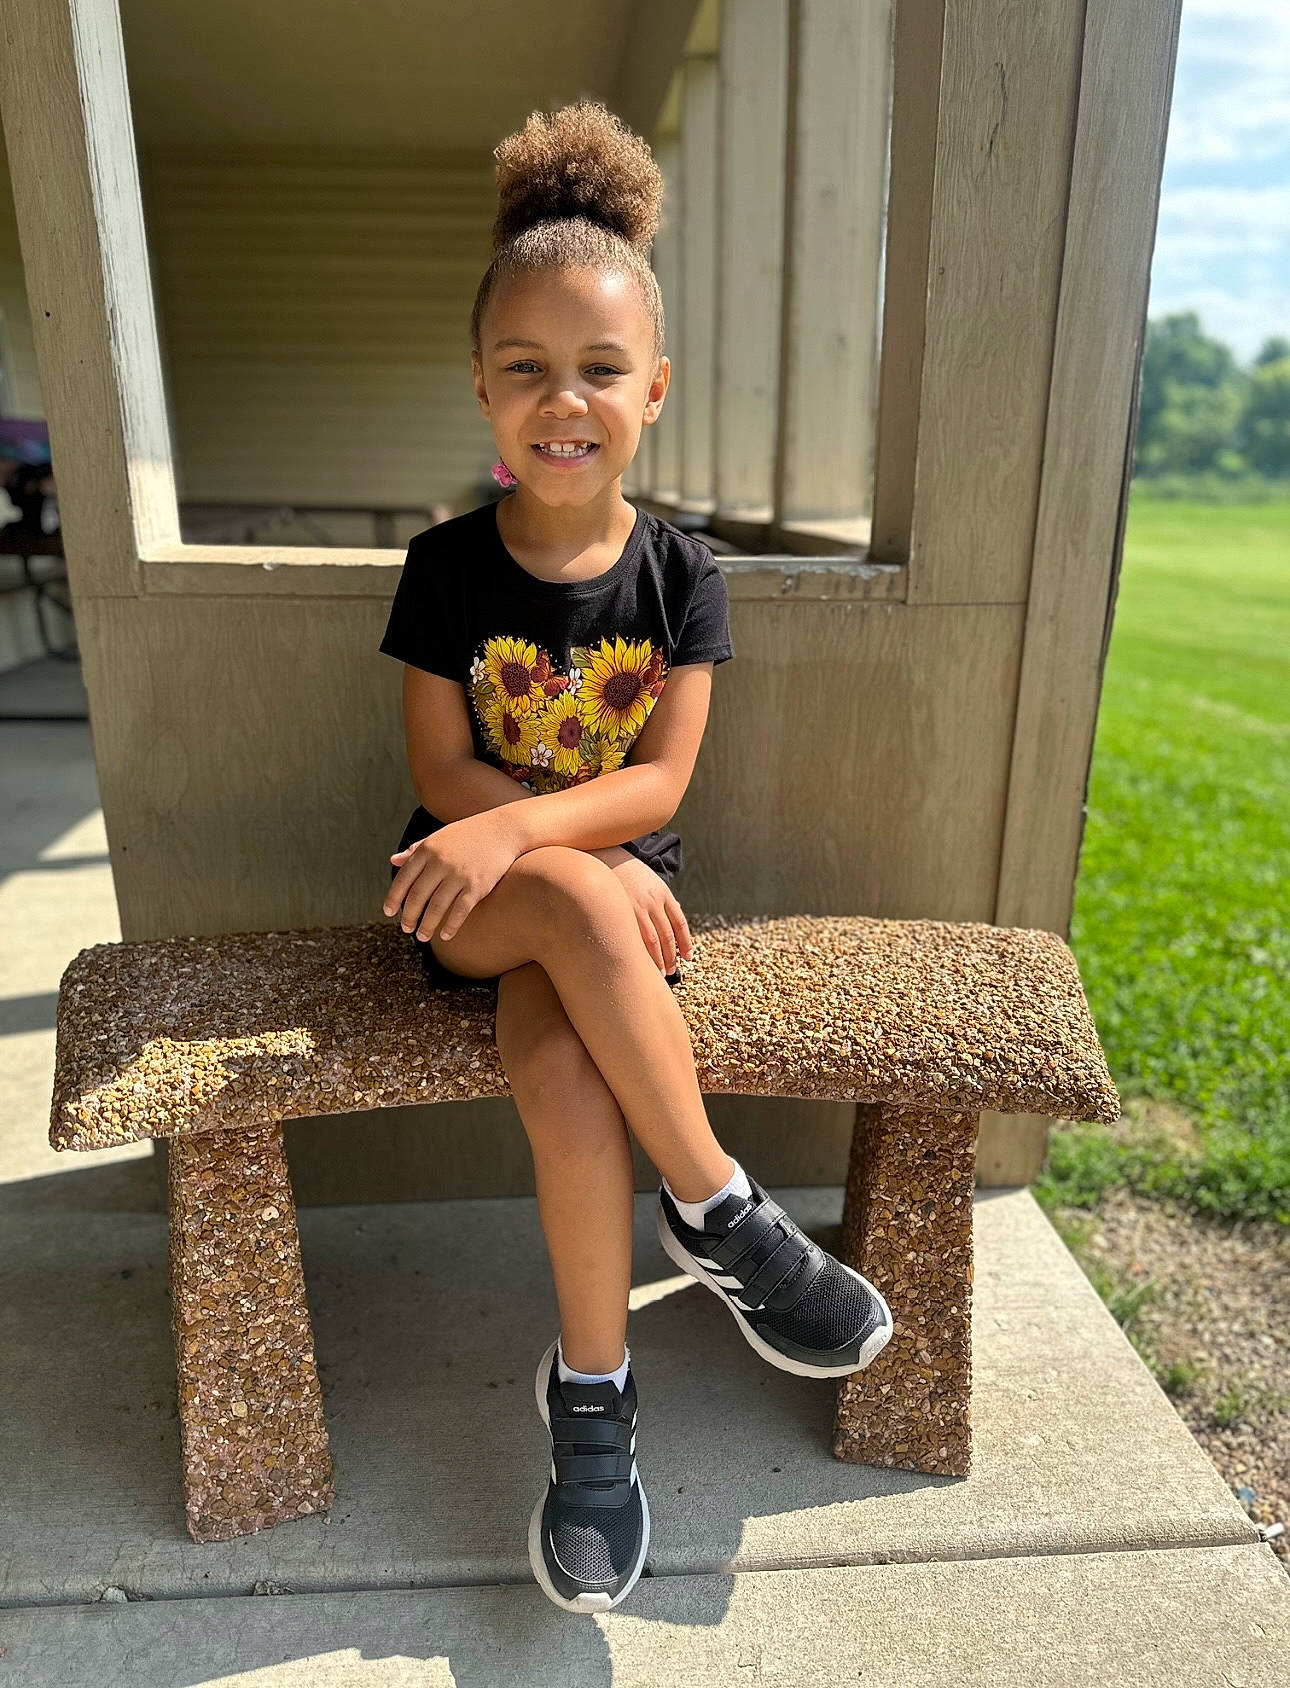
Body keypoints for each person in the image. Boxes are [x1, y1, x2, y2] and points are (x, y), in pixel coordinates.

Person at [378, 99, 893, 1616]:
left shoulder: (680, 576)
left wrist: (548, 835)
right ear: (481, 387)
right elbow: (440, 776)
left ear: (652, 388)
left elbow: (662, 777)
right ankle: (722, 1209)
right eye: (525, 368)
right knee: (557, 887)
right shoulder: (445, 567)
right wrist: (530, 842)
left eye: (600, 368)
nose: (565, 399)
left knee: (563, 1078)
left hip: (613, 925)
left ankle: (590, 1401)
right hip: (466, 897)